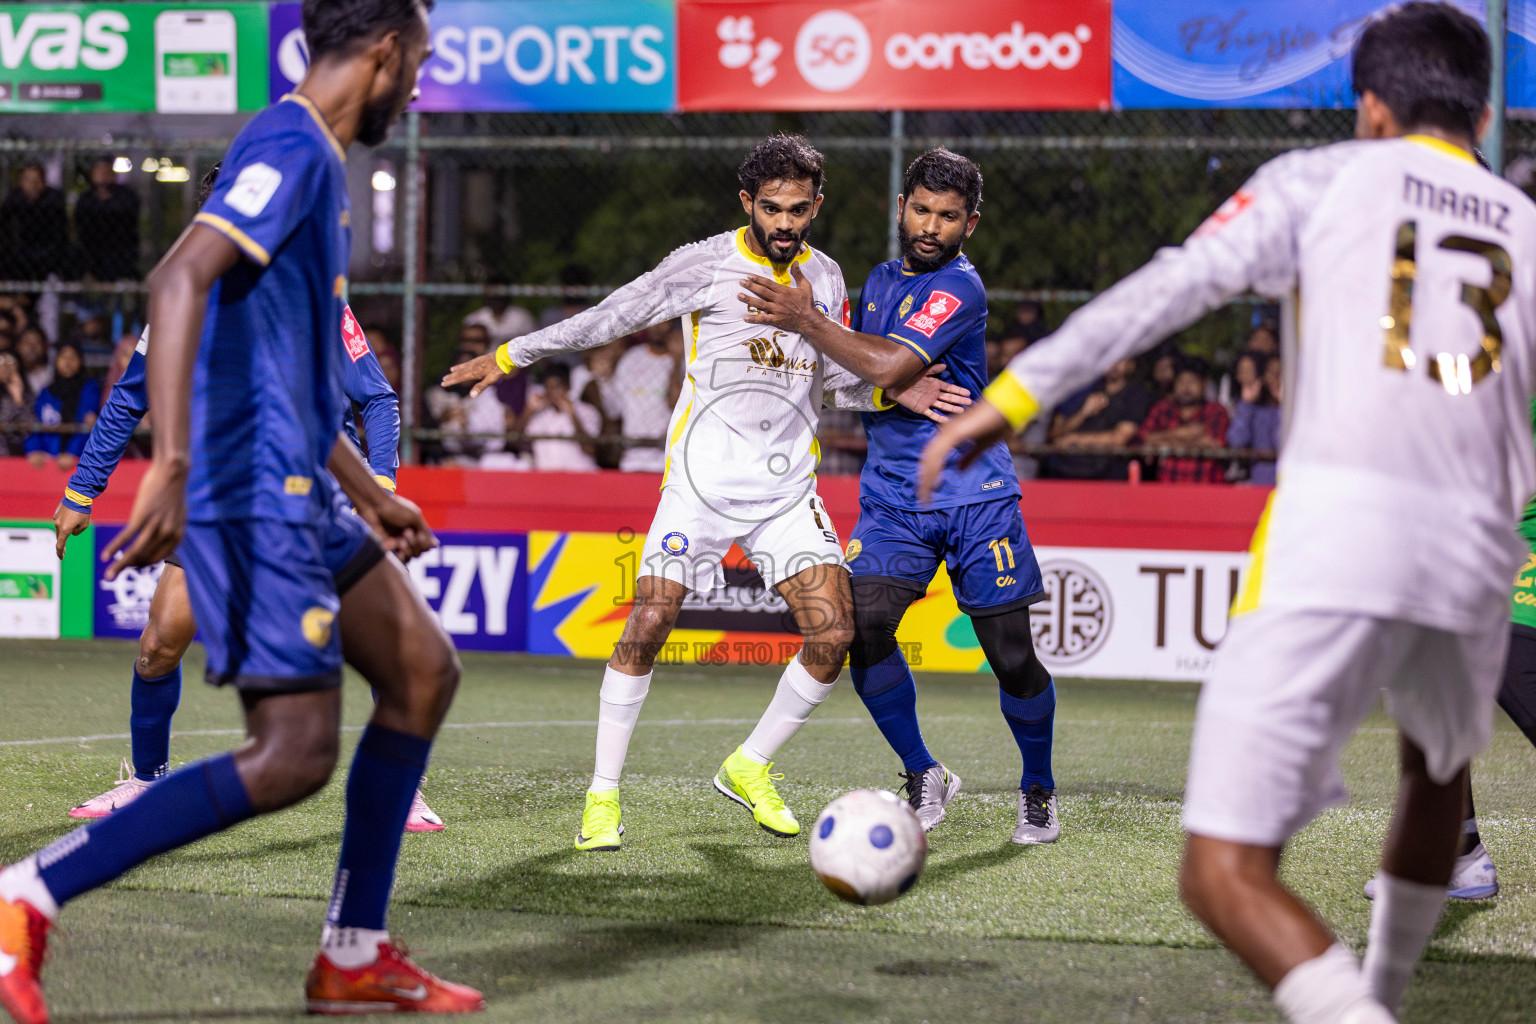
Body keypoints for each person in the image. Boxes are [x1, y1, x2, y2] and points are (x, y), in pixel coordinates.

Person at [919, 7, 1533, 1022]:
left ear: (1371, 106)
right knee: (1435, 775)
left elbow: (1167, 290)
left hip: (1340, 534)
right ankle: (1384, 982)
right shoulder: (1522, 220)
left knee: (1221, 871)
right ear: (1479, 108)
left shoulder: (1319, 177)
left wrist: (1012, 399)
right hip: (1479, 554)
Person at [0, 3, 485, 1019]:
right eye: (425, 63)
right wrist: (169, 461)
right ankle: (23, 896)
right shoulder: (291, 142)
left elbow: (289, 372)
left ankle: (354, 951)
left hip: (303, 489)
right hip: (250, 496)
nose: (423, 85)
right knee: (293, 753)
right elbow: (177, 277)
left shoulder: (318, 166)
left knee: (422, 670)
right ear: (386, 53)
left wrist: (370, 491)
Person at [443, 133, 968, 851]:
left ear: (818, 206)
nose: (786, 223)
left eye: (799, 209)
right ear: (748, 203)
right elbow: (611, 316)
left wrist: (896, 392)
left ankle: (749, 766)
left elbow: (839, 385)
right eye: (773, 208)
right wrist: (509, 354)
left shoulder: (828, 278)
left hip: (785, 492)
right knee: (649, 625)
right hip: (699, 487)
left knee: (834, 632)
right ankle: (602, 798)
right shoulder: (704, 265)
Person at [55, 233, 441, 832]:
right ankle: (144, 783)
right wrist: (81, 492)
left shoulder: (318, 298)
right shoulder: (181, 301)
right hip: (217, 495)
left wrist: (380, 493)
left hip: (314, 495)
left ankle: (402, 790)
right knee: (159, 645)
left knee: (389, 650)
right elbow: (128, 401)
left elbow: (378, 401)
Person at [740, 148, 1058, 842]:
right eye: (921, 209)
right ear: (901, 206)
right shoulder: (880, 282)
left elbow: (884, 361)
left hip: (975, 496)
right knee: (864, 629)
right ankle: (924, 772)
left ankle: (1038, 787)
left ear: (969, 224)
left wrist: (811, 323)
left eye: (948, 217)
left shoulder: (960, 289)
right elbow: (854, 370)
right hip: (892, 497)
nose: (931, 226)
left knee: (1010, 656)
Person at [1042, 357, 1154, 480]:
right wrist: (1083, 413)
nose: (1114, 365)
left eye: (1120, 360)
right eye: (1110, 358)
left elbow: (1119, 438)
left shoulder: (1136, 394)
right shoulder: (1085, 389)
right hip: (1067, 472)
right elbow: (1055, 435)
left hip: (1108, 477)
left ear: (1131, 365)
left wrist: (1075, 440)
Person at [424, 324, 512, 467]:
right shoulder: (438, 392)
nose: (466, 372)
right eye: (461, 367)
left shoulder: (490, 392)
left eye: (471, 368)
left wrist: (467, 423)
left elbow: (497, 434)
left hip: (485, 459)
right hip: (446, 459)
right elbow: (425, 432)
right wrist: (442, 418)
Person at [1138, 358, 1230, 483]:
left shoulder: (1216, 411)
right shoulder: (1162, 408)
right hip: (1167, 487)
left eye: (1192, 382)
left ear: (1204, 384)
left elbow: (1215, 444)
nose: (1185, 388)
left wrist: (1164, 444)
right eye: (1181, 381)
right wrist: (1183, 433)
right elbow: (1144, 437)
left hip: (1206, 488)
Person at [611, 322, 681, 473]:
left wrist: (677, 361)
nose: (657, 328)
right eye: (654, 323)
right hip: (631, 455)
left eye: (664, 323)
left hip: (666, 458)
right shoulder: (631, 358)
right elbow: (614, 408)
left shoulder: (683, 362)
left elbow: (676, 403)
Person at [25, 342, 99, 471]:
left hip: (79, 462)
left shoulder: (90, 389)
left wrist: (73, 453)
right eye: (63, 357)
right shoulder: (46, 392)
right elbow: (35, 423)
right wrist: (34, 449)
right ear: (56, 361)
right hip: (47, 461)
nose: (68, 362)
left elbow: (88, 424)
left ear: (80, 361)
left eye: (73, 357)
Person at [516, 364, 601, 471]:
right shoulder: (541, 415)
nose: (551, 393)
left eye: (556, 387)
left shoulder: (587, 411)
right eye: (547, 388)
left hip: (581, 476)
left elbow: (589, 449)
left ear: (568, 386)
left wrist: (573, 416)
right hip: (548, 480)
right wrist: (528, 412)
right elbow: (515, 441)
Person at [74, 157, 141, 282]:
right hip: (92, 256)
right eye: (99, 171)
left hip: (121, 255)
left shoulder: (126, 197)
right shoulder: (86, 200)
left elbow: (129, 227)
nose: (103, 175)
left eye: (106, 171)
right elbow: (81, 230)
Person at [0, 163, 67, 282]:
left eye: (36, 180)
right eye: (28, 180)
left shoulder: (54, 198)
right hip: (21, 249)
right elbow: (4, 223)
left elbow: (59, 232)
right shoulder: (15, 198)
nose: (32, 185)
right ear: (21, 182)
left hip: (49, 249)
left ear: (43, 182)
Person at [1227, 352, 1282, 485]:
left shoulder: (1298, 410)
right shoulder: (1253, 409)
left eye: (1280, 372)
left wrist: (1284, 405)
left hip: (1289, 483)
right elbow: (1236, 441)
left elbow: (1282, 442)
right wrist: (1246, 403)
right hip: (1258, 484)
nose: (1275, 377)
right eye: (1270, 372)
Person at [463, 278, 535, 346]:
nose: (496, 299)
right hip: (485, 358)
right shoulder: (475, 318)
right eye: (493, 295)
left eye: (500, 295)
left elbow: (533, 345)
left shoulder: (522, 317)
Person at [0, 351, 34, 455]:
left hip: (21, 454)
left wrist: (18, 399)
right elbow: (3, 423)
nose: (6, 366)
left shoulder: (26, 395)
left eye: (10, 361)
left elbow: (31, 426)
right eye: (1, 361)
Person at [15, 327, 51, 397]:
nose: (32, 347)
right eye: (27, 342)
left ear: (44, 347)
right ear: (18, 346)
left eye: (37, 342)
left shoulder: (53, 374)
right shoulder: (11, 375)